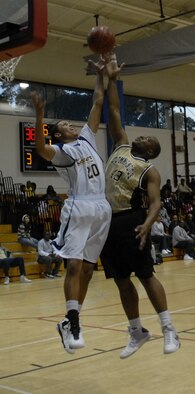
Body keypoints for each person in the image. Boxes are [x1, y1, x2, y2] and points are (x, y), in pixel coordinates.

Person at [101, 53, 180, 359]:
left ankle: (169, 328)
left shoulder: (150, 170)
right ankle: (137, 331)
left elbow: (157, 201)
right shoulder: (121, 143)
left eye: (147, 137)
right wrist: (113, 78)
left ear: (150, 150)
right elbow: (114, 108)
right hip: (108, 222)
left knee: (146, 275)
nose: (142, 135)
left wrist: (148, 223)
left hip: (132, 222)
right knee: (121, 280)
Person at [31, 56, 112, 354]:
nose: (71, 125)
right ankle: (74, 323)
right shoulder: (63, 151)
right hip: (79, 207)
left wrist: (101, 74)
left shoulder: (88, 138)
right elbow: (40, 149)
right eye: (65, 124)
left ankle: (69, 320)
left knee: (89, 270)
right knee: (75, 264)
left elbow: (98, 101)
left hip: (101, 209)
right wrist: (40, 115)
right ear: (59, 134)